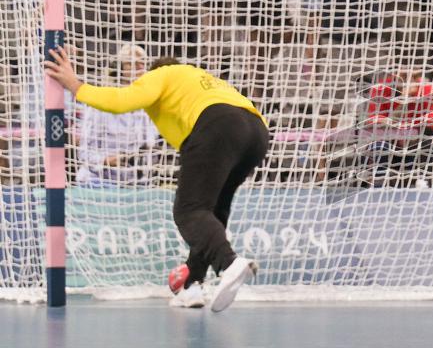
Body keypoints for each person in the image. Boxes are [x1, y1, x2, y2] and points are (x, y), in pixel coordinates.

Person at [44, 47, 269, 312]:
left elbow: (119, 101)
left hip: (217, 126)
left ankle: (229, 263)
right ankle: (193, 285)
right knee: (213, 210)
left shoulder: (162, 75)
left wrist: (75, 85)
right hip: (257, 133)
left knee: (188, 211)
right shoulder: (200, 80)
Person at [76, 45, 159, 187]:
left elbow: (153, 149)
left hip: (135, 183)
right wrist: (107, 160)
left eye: (142, 63)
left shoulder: (150, 106)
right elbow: (83, 152)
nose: (139, 68)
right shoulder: (101, 103)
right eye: (131, 63)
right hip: (98, 181)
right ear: (119, 69)